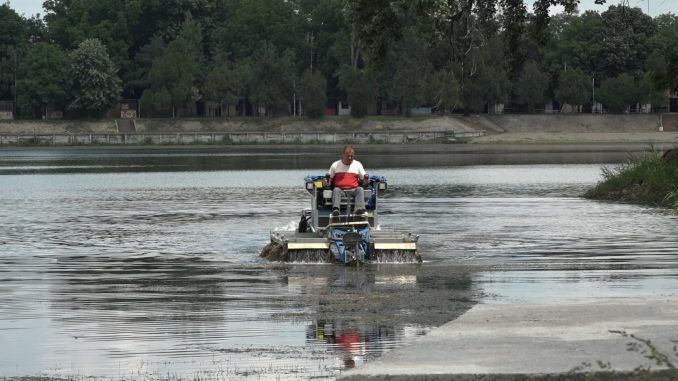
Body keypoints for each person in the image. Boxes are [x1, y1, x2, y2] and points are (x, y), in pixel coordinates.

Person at [325, 145, 369, 217]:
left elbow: (364, 178)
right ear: (343, 155)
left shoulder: (358, 164)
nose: (350, 158)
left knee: (360, 189)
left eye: (351, 156)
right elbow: (329, 179)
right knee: (336, 190)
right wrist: (326, 182)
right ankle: (336, 210)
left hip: (354, 190)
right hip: (341, 191)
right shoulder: (335, 165)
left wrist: (366, 180)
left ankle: (359, 210)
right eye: (348, 156)